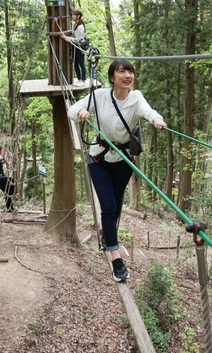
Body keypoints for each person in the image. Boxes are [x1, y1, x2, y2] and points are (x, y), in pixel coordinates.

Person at [68, 59, 166, 282]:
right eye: (122, 71)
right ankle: (115, 257)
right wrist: (82, 111)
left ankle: (108, 234)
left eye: (130, 71)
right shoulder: (100, 95)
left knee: (117, 202)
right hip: (99, 157)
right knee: (109, 206)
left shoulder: (136, 97)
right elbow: (71, 109)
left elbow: (148, 111)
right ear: (112, 78)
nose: (127, 75)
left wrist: (156, 119)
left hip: (123, 159)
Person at [62, 10, 87, 87]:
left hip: (79, 46)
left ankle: (83, 80)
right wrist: (68, 31)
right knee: (75, 63)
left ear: (78, 16)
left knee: (81, 63)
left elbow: (78, 39)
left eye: (73, 15)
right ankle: (79, 79)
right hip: (74, 46)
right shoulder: (74, 25)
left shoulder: (80, 27)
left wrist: (66, 38)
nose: (72, 16)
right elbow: (73, 32)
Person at [0, 142, 15, 212]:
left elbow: (3, 161)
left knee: (7, 192)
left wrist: (6, 161)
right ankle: (13, 193)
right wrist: (4, 146)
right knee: (11, 180)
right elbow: (2, 157)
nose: (1, 152)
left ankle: (10, 208)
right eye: (0, 151)